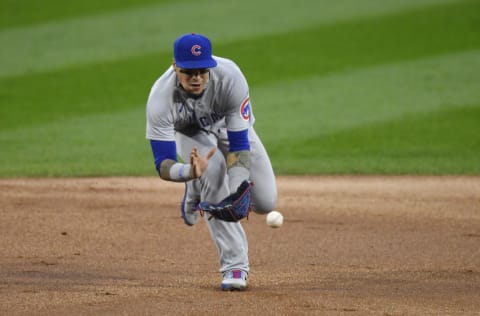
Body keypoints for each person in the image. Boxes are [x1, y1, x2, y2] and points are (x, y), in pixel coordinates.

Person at [145, 33, 278, 291]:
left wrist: (238, 190)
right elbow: (162, 163)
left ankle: (195, 186)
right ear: (175, 66)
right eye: (189, 72)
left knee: (265, 202)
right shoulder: (160, 98)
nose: (196, 78)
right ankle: (234, 266)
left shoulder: (230, 77)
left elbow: (238, 144)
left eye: (202, 71)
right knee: (213, 171)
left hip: (231, 132)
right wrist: (188, 170)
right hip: (191, 136)